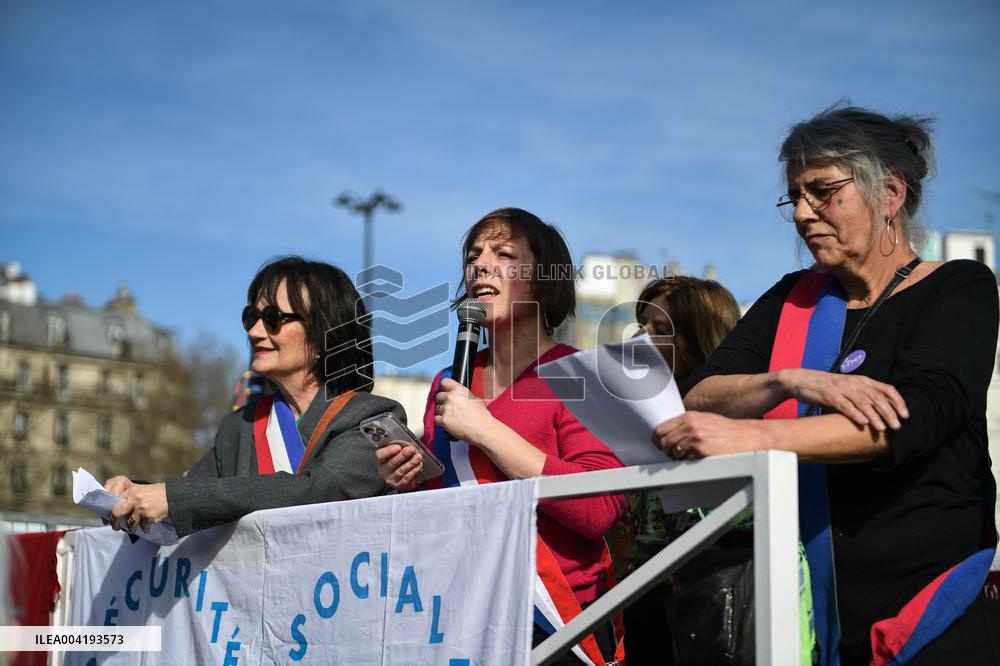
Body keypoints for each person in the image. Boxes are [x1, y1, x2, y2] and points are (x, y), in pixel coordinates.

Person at [657, 106, 1000, 664]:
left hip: (930, 618)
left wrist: (752, 439)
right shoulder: (793, 298)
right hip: (799, 618)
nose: (801, 212)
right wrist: (793, 382)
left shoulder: (959, 288)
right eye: (793, 196)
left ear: (889, 192)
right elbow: (699, 393)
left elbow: (911, 420)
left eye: (821, 192)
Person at [376, 208, 627, 666]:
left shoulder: (583, 375)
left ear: (543, 283)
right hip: (462, 611)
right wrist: (407, 477)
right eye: (473, 256)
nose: (481, 265)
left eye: (504, 254)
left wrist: (487, 431)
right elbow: (453, 499)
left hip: (554, 621)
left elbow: (599, 508)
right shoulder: (449, 381)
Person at [105, 256, 406, 536]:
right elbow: (191, 501)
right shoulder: (239, 427)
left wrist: (170, 497)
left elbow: (319, 491)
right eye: (252, 317)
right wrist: (134, 494)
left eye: (273, 318)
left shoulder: (373, 417)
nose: (254, 332)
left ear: (322, 332)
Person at [613, 277, 742, 664]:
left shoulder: (736, 418)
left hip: (714, 601)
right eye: (642, 327)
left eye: (662, 330)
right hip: (637, 604)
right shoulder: (626, 413)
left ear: (702, 338)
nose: (645, 339)